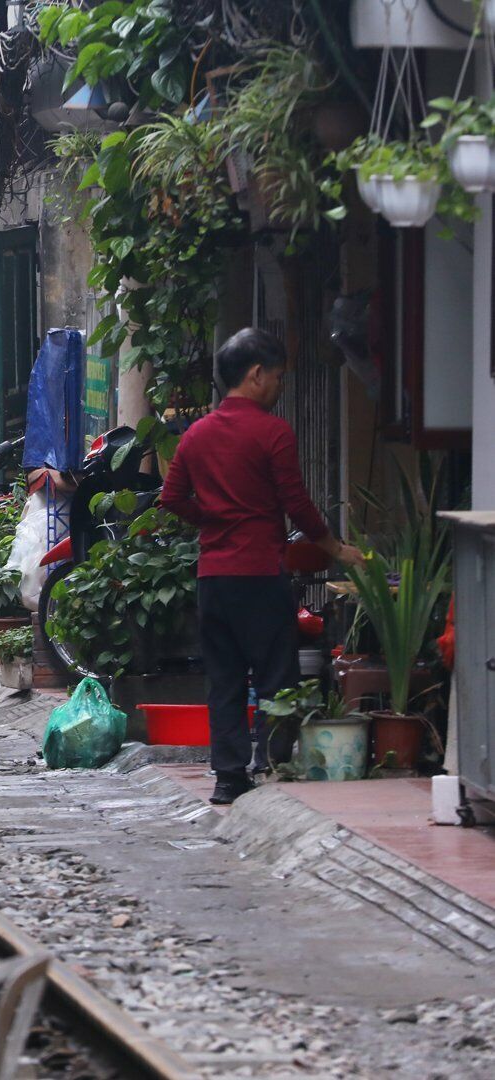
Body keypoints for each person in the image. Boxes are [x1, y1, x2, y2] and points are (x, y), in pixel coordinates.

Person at [161, 328, 363, 805]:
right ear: (256, 375)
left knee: (225, 677)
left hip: (214, 577)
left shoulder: (196, 435)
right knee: (275, 673)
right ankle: (270, 765)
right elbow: (297, 503)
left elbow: (171, 498)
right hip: (260, 574)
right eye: (277, 377)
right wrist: (336, 549)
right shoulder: (272, 431)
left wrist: (209, 516)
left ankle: (228, 777)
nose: (278, 387)